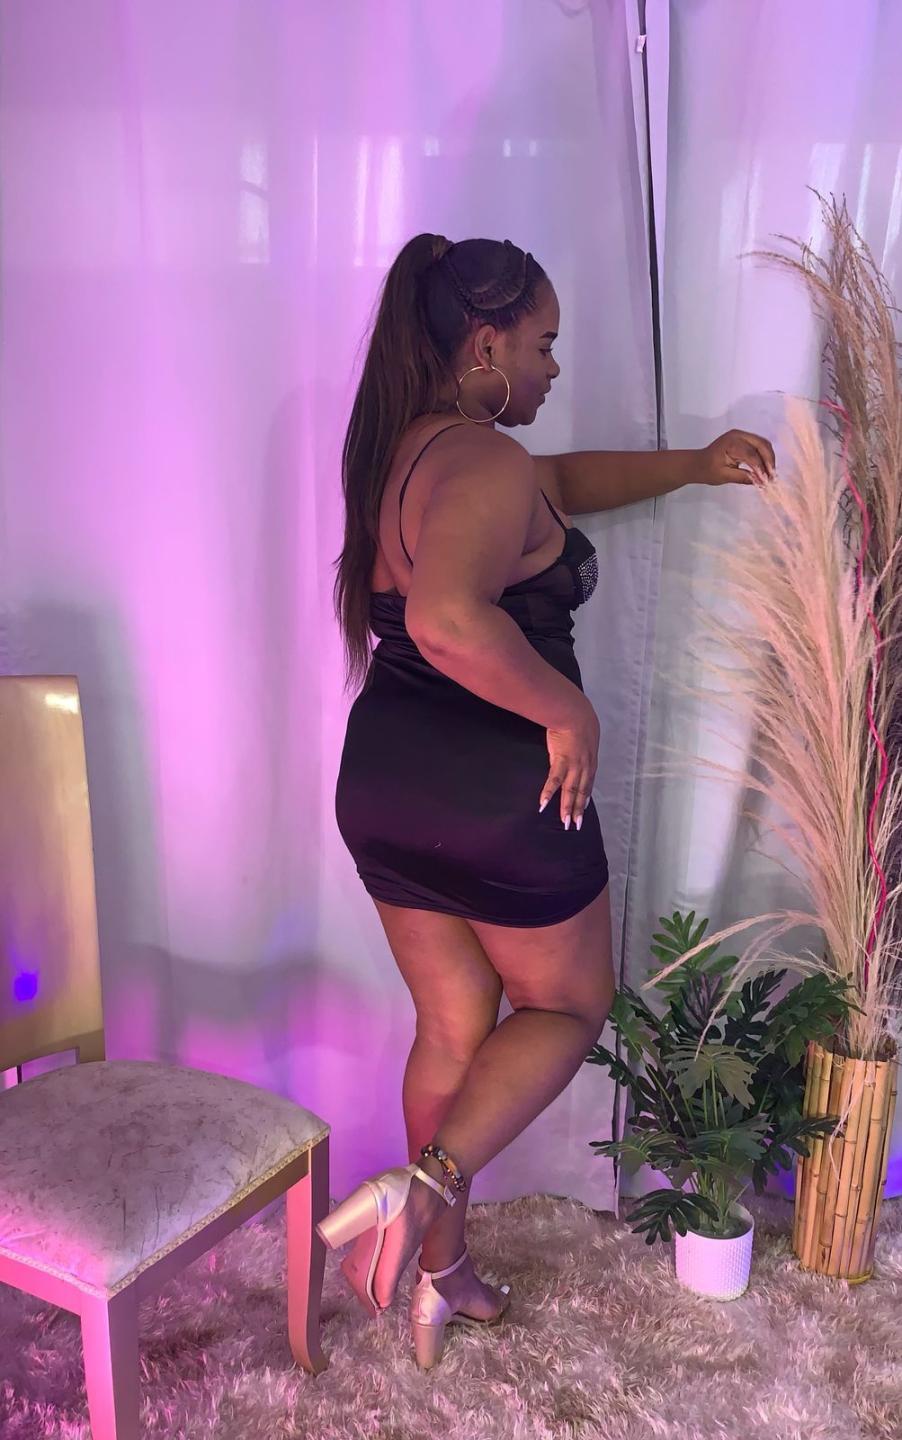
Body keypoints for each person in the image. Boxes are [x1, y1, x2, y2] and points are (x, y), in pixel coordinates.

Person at [316, 233, 775, 1369]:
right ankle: (423, 1184)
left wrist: (692, 463)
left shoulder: (411, 451)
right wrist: (564, 711)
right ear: (485, 345)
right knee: (569, 1006)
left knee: (450, 1028)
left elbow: (561, 486)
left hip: (388, 784)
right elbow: (445, 619)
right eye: (544, 343)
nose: (555, 367)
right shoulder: (482, 463)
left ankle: (440, 1274)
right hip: (497, 791)